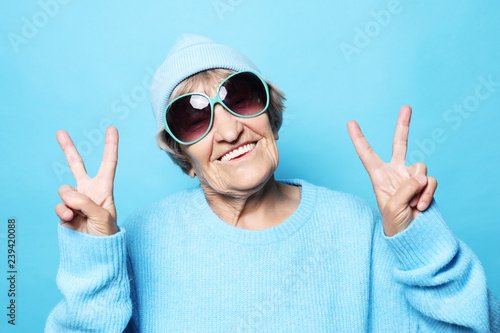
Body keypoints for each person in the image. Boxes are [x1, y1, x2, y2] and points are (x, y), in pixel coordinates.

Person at [45, 34, 500, 332]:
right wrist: (93, 263)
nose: (227, 131)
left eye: (239, 99)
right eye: (193, 118)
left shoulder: (357, 229)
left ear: (271, 118)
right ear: (184, 158)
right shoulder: (140, 239)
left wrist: (419, 239)